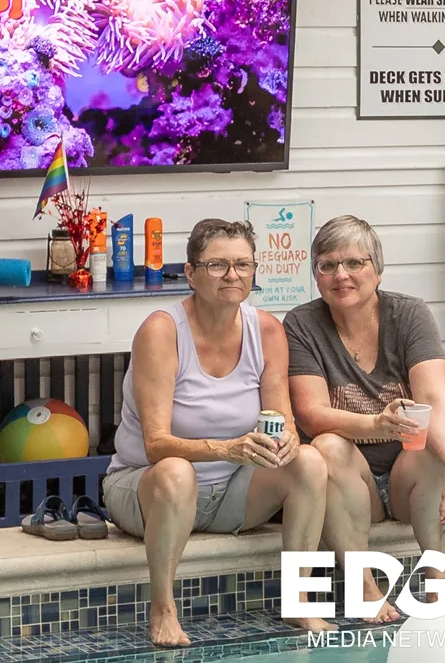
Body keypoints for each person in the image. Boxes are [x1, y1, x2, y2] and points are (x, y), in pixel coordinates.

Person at [102, 219, 333, 647]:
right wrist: (228, 448)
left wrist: (286, 442)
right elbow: (155, 445)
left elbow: (282, 419)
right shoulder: (161, 330)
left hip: (230, 493)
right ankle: (163, 609)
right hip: (147, 489)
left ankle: (299, 601)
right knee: (176, 471)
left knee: (310, 462)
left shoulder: (267, 330)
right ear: (191, 273)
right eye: (217, 265)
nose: (232, 275)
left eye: (243, 265)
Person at [283, 215, 445, 624]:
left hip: (406, 479)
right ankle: (365, 588)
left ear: (378, 270)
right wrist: (374, 424)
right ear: (316, 275)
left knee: (436, 453)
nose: (341, 275)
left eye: (355, 263)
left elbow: (434, 397)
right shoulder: (301, 324)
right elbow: (311, 414)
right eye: (328, 265)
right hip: (351, 484)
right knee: (327, 446)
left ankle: (437, 586)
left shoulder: (409, 314)